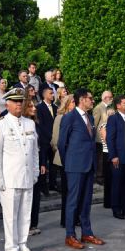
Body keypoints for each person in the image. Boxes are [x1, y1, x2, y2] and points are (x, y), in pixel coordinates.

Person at [0, 88, 40, 251]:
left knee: (26, 213)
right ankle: (11, 248)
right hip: (9, 179)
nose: (19, 104)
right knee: (11, 216)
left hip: (27, 177)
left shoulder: (30, 123)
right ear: (7, 103)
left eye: (21, 101)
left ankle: (23, 244)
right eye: (15, 101)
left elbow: (35, 151)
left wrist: (34, 172)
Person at [58, 88, 105, 249]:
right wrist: (69, 163)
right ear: (82, 99)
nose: (93, 101)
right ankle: (70, 235)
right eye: (90, 98)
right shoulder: (69, 117)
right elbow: (61, 143)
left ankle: (87, 232)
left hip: (88, 165)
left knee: (86, 201)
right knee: (73, 201)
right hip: (75, 166)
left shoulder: (90, 117)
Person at [22, 97, 47, 236]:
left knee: (36, 196)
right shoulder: (22, 124)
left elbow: (41, 145)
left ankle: (34, 224)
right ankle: (25, 225)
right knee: (26, 197)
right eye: (30, 106)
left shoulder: (37, 124)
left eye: (34, 106)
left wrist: (43, 163)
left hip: (36, 163)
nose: (34, 108)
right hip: (25, 163)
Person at [51, 96, 76, 227]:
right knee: (67, 191)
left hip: (75, 160)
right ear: (66, 104)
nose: (75, 104)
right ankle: (65, 220)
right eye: (72, 101)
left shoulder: (76, 117)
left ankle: (74, 217)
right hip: (64, 159)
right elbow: (55, 140)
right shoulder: (60, 118)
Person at [106, 95, 125, 219]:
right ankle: (116, 209)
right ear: (118, 105)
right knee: (117, 184)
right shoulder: (113, 119)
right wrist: (113, 156)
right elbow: (110, 138)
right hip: (118, 157)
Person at [93, 90, 113, 206]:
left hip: (108, 139)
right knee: (100, 158)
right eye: (110, 97)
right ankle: (100, 176)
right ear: (105, 97)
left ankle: (103, 175)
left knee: (104, 159)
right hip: (100, 138)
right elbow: (95, 123)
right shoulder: (98, 108)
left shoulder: (110, 108)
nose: (111, 98)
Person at [36, 87, 58, 194]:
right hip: (44, 140)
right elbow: (41, 125)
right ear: (44, 95)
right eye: (50, 93)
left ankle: (53, 184)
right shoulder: (39, 108)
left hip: (54, 140)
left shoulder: (55, 107)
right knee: (43, 163)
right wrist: (50, 137)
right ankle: (43, 186)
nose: (53, 95)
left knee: (54, 163)